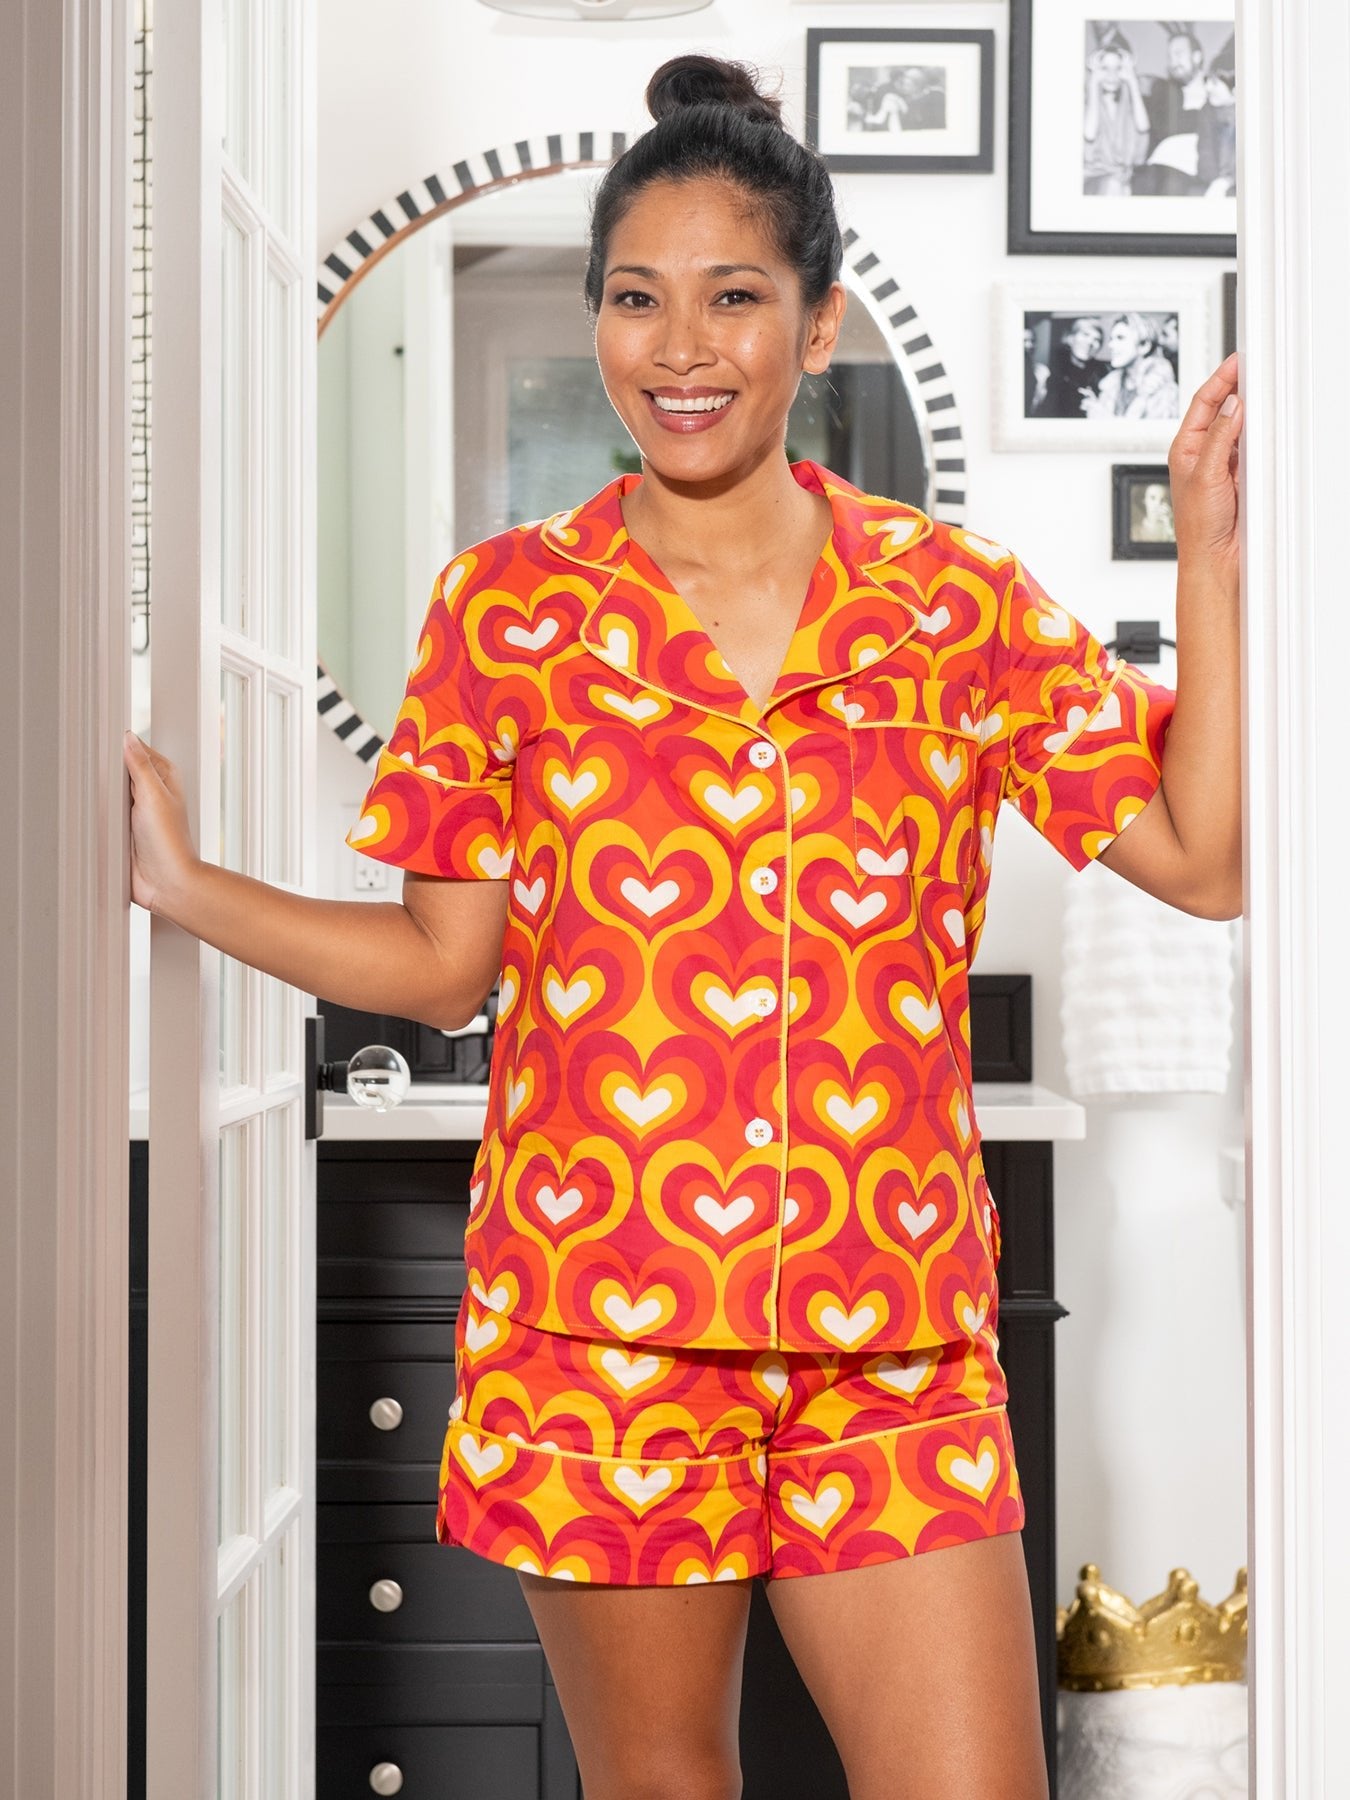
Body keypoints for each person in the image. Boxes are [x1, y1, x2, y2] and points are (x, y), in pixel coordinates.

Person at [123, 51, 1244, 1800]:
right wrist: (190, 890)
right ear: (596, 321)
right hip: (598, 1335)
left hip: (892, 1337)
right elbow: (444, 968)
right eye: (637, 298)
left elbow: (1203, 858)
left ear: (815, 325)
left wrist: (1209, 560)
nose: (680, 345)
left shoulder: (955, 607)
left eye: (733, 297)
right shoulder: (504, 612)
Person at [1134, 28, 1210, 195]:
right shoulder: (1164, 90)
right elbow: (1163, 127)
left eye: (1179, 54)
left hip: (1188, 169)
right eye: (1170, 56)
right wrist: (1200, 117)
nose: (1173, 62)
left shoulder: (1214, 89)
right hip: (1156, 166)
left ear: (1197, 57)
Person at [1082, 311, 1182, 421]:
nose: (1110, 345)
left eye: (1120, 338)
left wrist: (1106, 419)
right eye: (1111, 338)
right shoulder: (1110, 386)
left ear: (1144, 346)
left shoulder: (1165, 392)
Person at [1083, 43, 1151, 195]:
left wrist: (1133, 83)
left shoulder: (1126, 109)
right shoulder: (1088, 106)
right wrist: (1093, 84)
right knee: (1114, 185)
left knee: (1123, 187)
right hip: (1090, 177)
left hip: (1121, 179)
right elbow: (1089, 135)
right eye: (1105, 68)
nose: (1111, 74)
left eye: (1118, 68)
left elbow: (1143, 129)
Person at [1030, 316, 1111, 418]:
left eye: (1097, 339)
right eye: (1085, 334)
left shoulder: (1105, 375)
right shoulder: (1050, 372)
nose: (1090, 342)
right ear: (1071, 338)